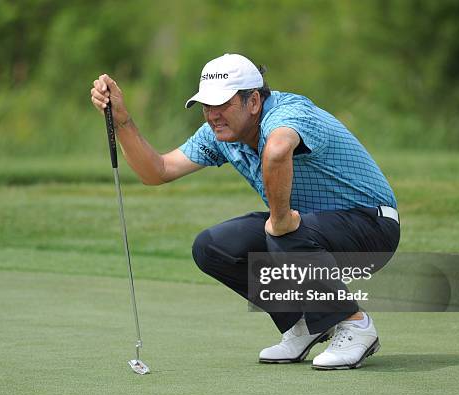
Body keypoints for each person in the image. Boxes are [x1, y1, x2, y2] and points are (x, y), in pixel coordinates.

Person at [90, 53, 400, 370]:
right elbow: (157, 171)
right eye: (207, 106)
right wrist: (123, 121)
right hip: (309, 233)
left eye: (222, 104)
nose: (212, 115)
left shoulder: (289, 112)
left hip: (372, 227)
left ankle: (355, 325)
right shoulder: (222, 134)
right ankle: (309, 322)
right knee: (213, 247)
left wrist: (280, 222)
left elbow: (278, 150)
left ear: (253, 101)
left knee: (282, 231)